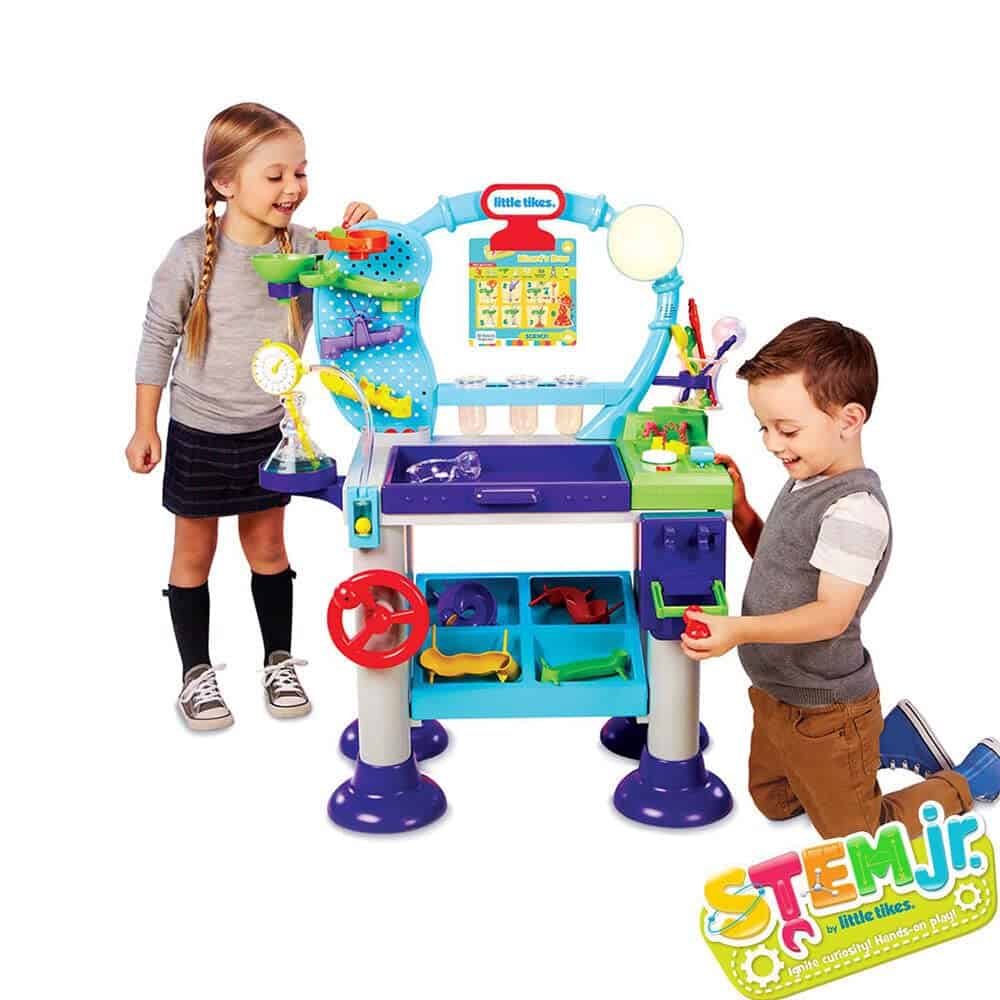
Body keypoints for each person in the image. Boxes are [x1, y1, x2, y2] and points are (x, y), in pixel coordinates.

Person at [681, 317, 999, 838]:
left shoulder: (855, 511)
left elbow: (831, 616)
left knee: (861, 834)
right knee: (774, 802)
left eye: (787, 430)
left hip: (828, 708)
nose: (771, 444)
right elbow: (779, 566)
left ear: (849, 420)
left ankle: (970, 778)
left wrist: (737, 630)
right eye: (763, 427)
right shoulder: (805, 478)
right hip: (775, 692)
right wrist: (741, 512)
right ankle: (886, 744)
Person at [126, 102, 375, 731]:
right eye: (275, 175)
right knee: (194, 555)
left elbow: (368, 268)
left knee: (268, 548)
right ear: (224, 182)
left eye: (301, 172)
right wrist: (144, 425)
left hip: (271, 431)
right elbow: (157, 339)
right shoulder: (189, 255)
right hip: (199, 429)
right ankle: (196, 674)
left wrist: (369, 229)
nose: (293, 187)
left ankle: (278, 661)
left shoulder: (310, 249)